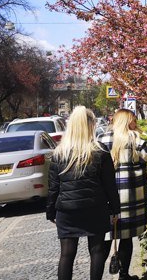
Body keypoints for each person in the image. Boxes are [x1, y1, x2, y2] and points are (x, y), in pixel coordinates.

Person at [47, 106, 120, 280]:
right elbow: (109, 184)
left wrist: (50, 211)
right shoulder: (99, 150)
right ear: (90, 125)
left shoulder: (59, 153)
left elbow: (53, 187)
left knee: (66, 254)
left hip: (67, 210)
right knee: (97, 251)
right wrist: (116, 209)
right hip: (95, 208)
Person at [98, 109, 147, 280]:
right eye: (134, 121)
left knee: (105, 239)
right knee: (126, 238)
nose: (136, 124)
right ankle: (124, 275)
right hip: (129, 198)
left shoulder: (102, 140)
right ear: (128, 122)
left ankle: (95, 275)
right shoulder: (135, 139)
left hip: (105, 198)